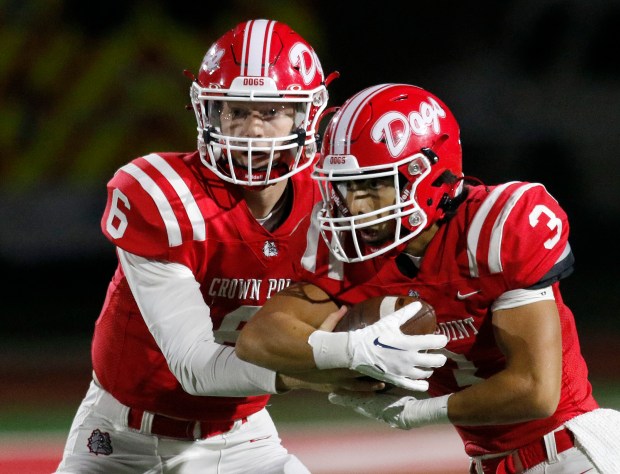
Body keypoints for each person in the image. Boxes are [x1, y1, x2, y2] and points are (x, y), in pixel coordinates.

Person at [56, 21, 448, 473]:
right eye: (235, 112)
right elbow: (196, 367)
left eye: (272, 111)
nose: (252, 132)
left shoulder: (335, 201)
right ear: (210, 114)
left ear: (307, 115)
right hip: (118, 437)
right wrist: (345, 357)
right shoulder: (161, 195)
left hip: (237, 438)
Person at [236, 83, 620, 473]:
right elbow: (260, 338)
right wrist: (352, 351)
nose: (354, 205)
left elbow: (536, 391)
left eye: (373, 184)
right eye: (345, 186)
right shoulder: (356, 252)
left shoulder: (494, 229)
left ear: (428, 176)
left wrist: (419, 411)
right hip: (492, 464)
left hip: (571, 454)